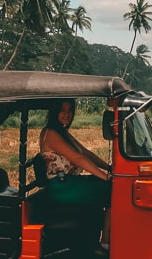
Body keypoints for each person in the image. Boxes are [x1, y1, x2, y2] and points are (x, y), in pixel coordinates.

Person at [40, 99, 111, 248]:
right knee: (112, 190)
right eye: (62, 110)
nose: (67, 114)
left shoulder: (62, 132)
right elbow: (78, 159)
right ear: (55, 112)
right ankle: (105, 243)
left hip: (70, 183)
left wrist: (109, 168)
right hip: (62, 186)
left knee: (107, 186)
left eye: (69, 110)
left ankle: (98, 239)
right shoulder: (51, 133)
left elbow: (84, 153)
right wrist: (105, 177)